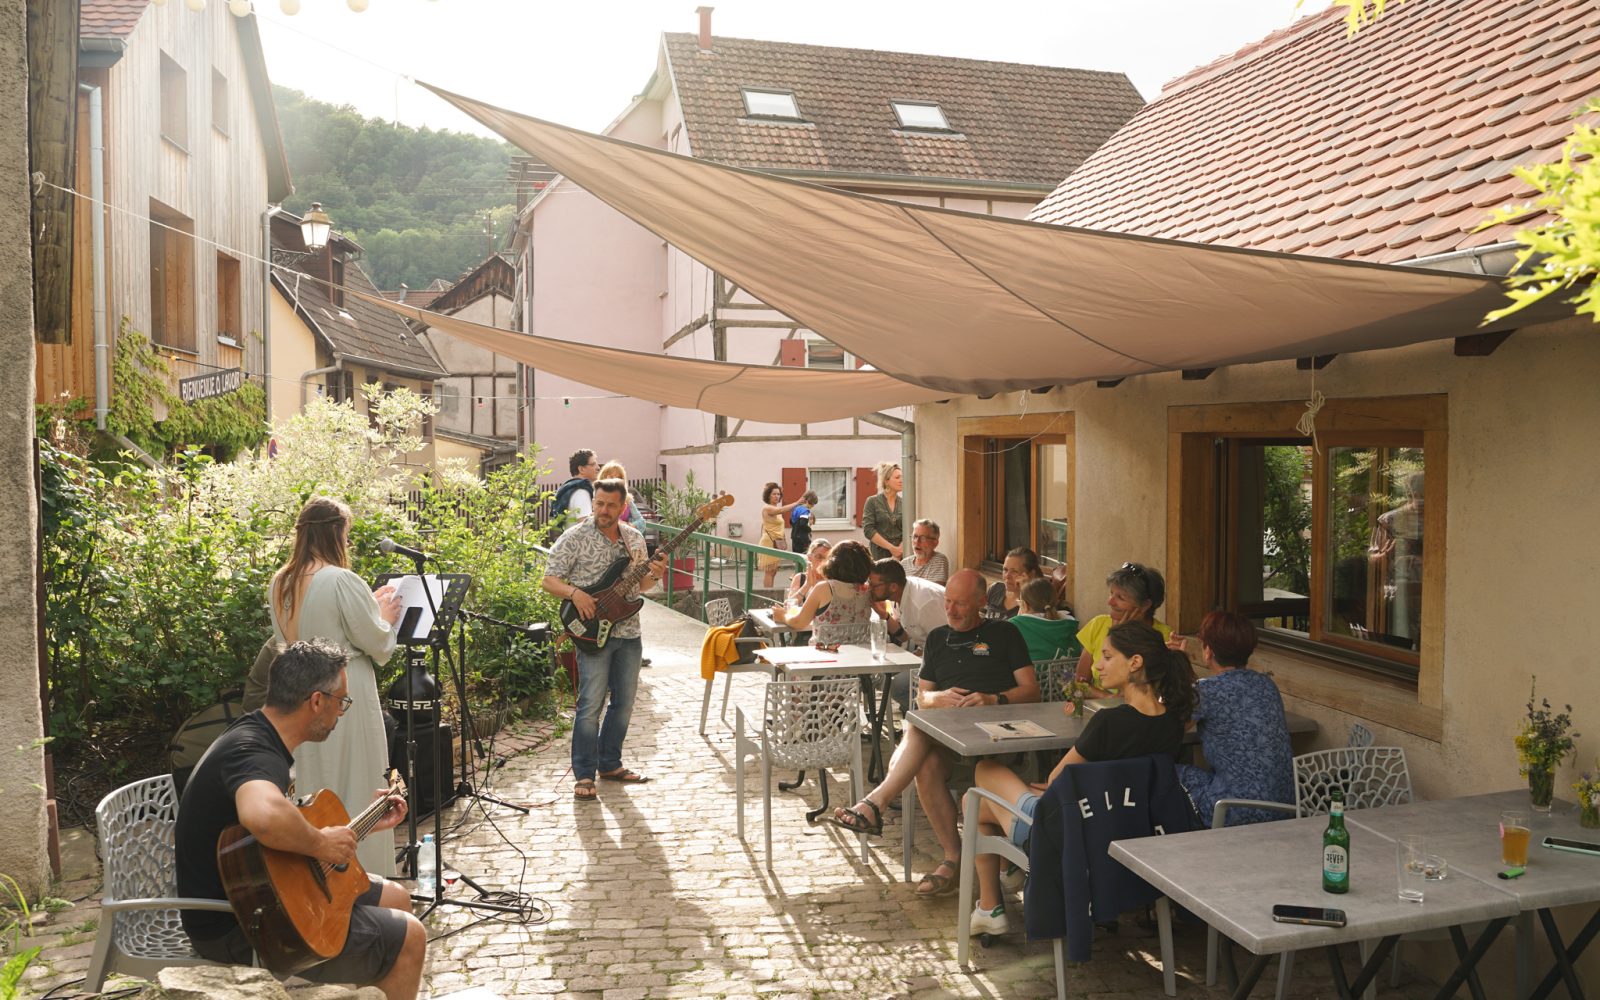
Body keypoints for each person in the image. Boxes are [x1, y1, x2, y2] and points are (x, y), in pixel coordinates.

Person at [176, 639, 425, 1000]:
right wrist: (322, 842)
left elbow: (277, 839)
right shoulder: (252, 752)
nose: (342, 712)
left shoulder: (260, 733)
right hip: (239, 924)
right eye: (342, 702)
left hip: (264, 891)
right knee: (410, 937)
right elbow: (262, 817)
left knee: (396, 898)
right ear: (316, 701)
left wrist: (363, 826)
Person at [966, 620, 1197, 935]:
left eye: (1106, 656)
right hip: (1127, 834)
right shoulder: (1173, 723)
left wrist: (1061, 784)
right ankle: (993, 900)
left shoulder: (1108, 722)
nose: (1098, 665)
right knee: (976, 807)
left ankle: (993, 900)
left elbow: (1058, 778)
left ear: (1136, 662)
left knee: (982, 775)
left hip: (1068, 838)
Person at [828, 570, 1038, 897]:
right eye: (947, 602)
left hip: (995, 739)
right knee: (924, 754)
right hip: (949, 737)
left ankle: (875, 804)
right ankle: (952, 858)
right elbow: (922, 698)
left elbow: (1031, 691)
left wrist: (995, 698)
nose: (950, 610)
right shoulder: (938, 638)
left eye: (960, 605)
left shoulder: (1004, 634)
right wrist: (936, 699)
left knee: (918, 724)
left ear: (982, 603)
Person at [269, 497, 400, 876]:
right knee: (358, 781)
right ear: (336, 533)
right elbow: (376, 644)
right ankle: (366, 877)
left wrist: (368, 610)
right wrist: (387, 618)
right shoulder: (342, 579)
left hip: (301, 694)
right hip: (345, 692)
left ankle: (320, 872)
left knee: (317, 782)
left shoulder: (281, 581)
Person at [542, 478, 669, 802]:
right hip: (591, 633)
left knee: (624, 704)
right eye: (599, 503)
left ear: (623, 506)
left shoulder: (634, 538)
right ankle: (584, 773)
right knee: (589, 706)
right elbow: (549, 579)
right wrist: (576, 594)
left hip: (628, 633)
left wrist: (656, 573)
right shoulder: (575, 538)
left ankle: (610, 764)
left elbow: (640, 590)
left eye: (611, 505)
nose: (603, 510)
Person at [1177, 612, 1293, 827]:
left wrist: (1176, 666)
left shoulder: (1205, 691)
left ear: (1208, 650)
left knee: (1168, 772)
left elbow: (1166, 729)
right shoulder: (1266, 684)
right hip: (1285, 808)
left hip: (1232, 810)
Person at [1074, 561, 1177, 695]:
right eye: (1111, 594)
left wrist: (1125, 636)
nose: (1110, 602)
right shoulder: (1098, 625)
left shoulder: (1163, 636)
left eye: (1120, 598)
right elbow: (1079, 684)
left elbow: (1157, 692)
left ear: (1145, 605)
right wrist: (1108, 698)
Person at [867, 557, 947, 711]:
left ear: (893, 587)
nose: (869, 588)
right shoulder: (901, 592)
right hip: (927, 653)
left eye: (874, 585)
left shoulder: (923, 603)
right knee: (882, 679)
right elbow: (903, 636)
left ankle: (926, 721)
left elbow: (946, 643)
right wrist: (882, 613)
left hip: (946, 659)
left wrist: (921, 655)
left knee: (895, 687)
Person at [772, 539, 874, 648]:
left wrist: (783, 616)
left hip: (826, 656)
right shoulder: (868, 589)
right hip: (860, 654)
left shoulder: (825, 588)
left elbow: (799, 622)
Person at [1010, 577, 1081, 666]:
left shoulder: (1015, 625)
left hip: (1030, 678)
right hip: (1067, 678)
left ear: (1024, 605)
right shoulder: (1069, 624)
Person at [758, 482, 804, 589]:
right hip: (769, 542)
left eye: (778, 494)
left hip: (776, 542)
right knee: (769, 571)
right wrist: (797, 503)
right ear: (768, 495)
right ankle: (768, 593)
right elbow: (781, 510)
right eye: (774, 494)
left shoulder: (773, 508)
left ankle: (770, 592)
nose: (776, 496)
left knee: (774, 571)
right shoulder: (767, 508)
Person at [984, 547, 1044, 620]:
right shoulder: (996, 589)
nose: (1007, 576)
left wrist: (1025, 592)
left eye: (1014, 571)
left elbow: (1024, 626)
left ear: (1031, 574)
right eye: (1005, 570)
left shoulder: (1036, 603)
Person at [861, 462, 904, 561]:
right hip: (879, 556)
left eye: (902, 477)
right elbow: (868, 530)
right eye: (897, 478)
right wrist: (892, 548)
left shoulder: (905, 503)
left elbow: (909, 530)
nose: (901, 480)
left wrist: (900, 550)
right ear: (886, 481)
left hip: (902, 556)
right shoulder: (872, 501)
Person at [597, 460, 647, 534]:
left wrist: (629, 525)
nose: (616, 480)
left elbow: (641, 521)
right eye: (611, 477)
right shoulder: (596, 497)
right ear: (603, 478)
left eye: (619, 477)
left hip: (623, 541)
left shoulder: (627, 499)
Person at [550, 448, 600, 521]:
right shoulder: (581, 492)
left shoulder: (568, 488)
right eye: (593, 464)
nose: (598, 468)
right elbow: (585, 525)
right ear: (581, 469)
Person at [784, 537, 833, 607]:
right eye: (819, 557)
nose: (823, 561)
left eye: (827, 558)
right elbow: (788, 605)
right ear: (810, 558)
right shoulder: (800, 578)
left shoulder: (833, 579)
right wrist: (807, 585)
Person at [902, 518, 950, 584]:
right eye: (915, 536)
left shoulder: (939, 560)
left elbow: (934, 592)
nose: (917, 541)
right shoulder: (904, 564)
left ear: (935, 543)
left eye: (923, 538)